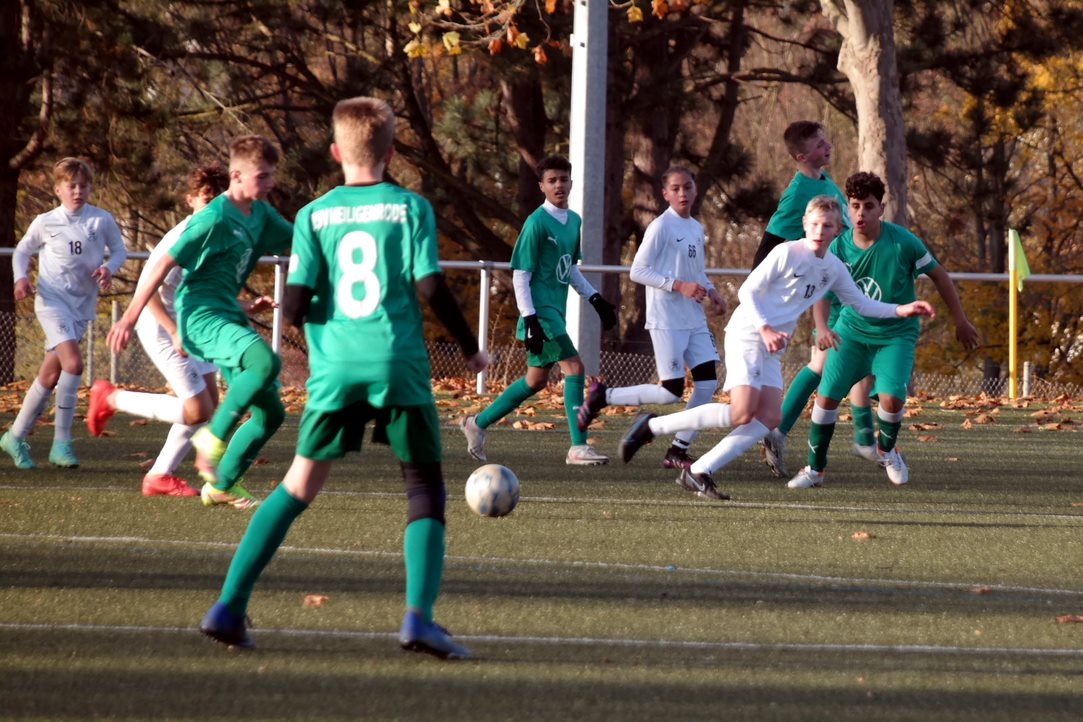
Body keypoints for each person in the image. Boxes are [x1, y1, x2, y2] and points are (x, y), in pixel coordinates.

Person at [198, 96, 488, 658]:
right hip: (397, 365)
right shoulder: (410, 207)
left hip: (335, 372)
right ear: (392, 152)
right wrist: (472, 349)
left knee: (297, 487)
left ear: (335, 152)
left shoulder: (313, 215)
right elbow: (430, 286)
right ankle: (418, 620)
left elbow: (295, 306)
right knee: (423, 487)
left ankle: (228, 608)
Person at [617, 195, 935, 501]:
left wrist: (902, 309)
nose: (820, 231)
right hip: (748, 334)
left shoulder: (833, 267)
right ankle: (652, 425)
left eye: (827, 226)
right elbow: (747, 291)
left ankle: (699, 470)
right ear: (805, 224)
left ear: (838, 229)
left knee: (769, 417)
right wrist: (765, 328)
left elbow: (861, 303)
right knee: (742, 412)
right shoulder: (786, 253)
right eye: (814, 224)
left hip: (772, 345)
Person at [106, 135, 292, 510]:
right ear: (237, 176)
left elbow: (301, 237)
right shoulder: (213, 217)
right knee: (264, 362)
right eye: (263, 175)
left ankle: (222, 484)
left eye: (272, 175)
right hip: (198, 316)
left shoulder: (260, 214)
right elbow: (160, 265)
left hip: (226, 315)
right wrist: (129, 316)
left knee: (271, 412)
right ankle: (210, 440)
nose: (271, 183)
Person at [786, 172, 981, 489]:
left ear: (882, 208)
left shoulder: (903, 242)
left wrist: (961, 320)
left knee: (891, 399)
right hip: (851, 331)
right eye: (854, 206)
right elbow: (822, 292)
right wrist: (822, 328)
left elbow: (940, 276)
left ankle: (888, 451)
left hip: (896, 334)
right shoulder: (838, 247)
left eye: (868, 206)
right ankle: (815, 470)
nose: (860, 213)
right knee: (825, 399)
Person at [86, 163, 235, 497]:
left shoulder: (216, 233)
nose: (213, 204)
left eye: (219, 197)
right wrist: (173, 330)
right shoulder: (186, 236)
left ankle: (159, 476)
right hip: (159, 324)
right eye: (207, 197)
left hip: (189, 325)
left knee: (210, 403)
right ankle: (111, 398)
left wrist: (246, 307)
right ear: (190, 200)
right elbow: (148, 288)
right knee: (198, 409)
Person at [459, 154, 618, 466]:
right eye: (552, 180)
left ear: (571, 182)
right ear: (541, 186)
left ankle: (476, 424)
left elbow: (569, 268)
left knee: (535, 381)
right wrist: (530, 319)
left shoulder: (574, 221)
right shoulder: (536, 223)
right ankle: (578, 447)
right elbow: (521, 275)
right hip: (540, 313)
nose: (559, 185)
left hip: (554, 311)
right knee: (575, 368)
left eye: (563, 179)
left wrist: (595, 298)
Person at [575, 166, 726, 469]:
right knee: (670, 392)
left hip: (694, 318)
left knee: (707, 383)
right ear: (665, 193)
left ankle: (678, 450)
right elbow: (637, 271)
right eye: (676, 188)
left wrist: (711, 290)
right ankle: (604, 395)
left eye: (687, 187)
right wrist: (678, 285)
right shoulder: (661, 227)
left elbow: (696, 271)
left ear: (695, 190)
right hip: (667, 319)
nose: (682, 193)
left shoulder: (696, 228)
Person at [750, 120, 865, 478]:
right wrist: (762, 300)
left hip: (841, 278)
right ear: (802, 156)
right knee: (827, 362)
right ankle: (781, 431)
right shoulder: (798, 192)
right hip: (827, 285)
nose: (828, 146)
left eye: (826, 140)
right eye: (819, 144)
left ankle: (782, 431)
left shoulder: (825, 182)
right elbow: (768, 247)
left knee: (832, 363)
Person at [2, 158, 128, 470]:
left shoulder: (101, 220)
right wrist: (20, 278)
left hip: (82, 306)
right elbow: (22, 250)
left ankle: (14, 436)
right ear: (58, 189)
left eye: (83, 186)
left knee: (50, 374)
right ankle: (62, 443)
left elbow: (120, 251)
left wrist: (109, 268)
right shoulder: (46, 221)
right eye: (71, 186)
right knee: (74, 364)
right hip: (51, 302)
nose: (78, 191)